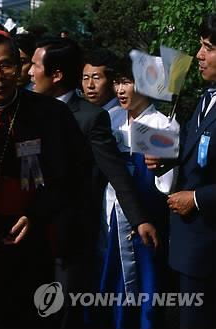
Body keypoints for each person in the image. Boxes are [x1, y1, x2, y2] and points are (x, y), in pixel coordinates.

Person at [0, 29, 91, 328]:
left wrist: (36, 215)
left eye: (6, 65)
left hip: (31, 231)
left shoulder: (52, 113)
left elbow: (74, 177)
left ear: (21, 68)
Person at [29, 37, 157, 328]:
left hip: (69, 234)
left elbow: (116, 172)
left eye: (35, 65)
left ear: (57, 74)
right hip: (30, 228)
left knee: (63, 309)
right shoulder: (25, 110)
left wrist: (139, 219)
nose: (29, 72)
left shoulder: (90, 118)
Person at [145, 13, 216, 329]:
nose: (199, 55)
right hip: (194, 249)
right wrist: (165, 157)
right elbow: (191, 147)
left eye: (208, 47)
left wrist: (198, 198)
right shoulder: (207, 97)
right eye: (201, 45)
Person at [98, 57, 175, 329]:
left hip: (147, 221)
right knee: (110, 285)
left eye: (128, 82)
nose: (120, 89)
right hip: (109, 220)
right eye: (118, 82)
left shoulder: (164, 124)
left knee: (147, 288)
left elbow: (167, 186)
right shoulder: (109, 119)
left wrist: (162, 162)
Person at [81, 48, 121, 113]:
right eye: (86, 78)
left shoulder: (124, 115)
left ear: (113, 80)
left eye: (96, 78)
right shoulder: (82, 113)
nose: (90, 85)